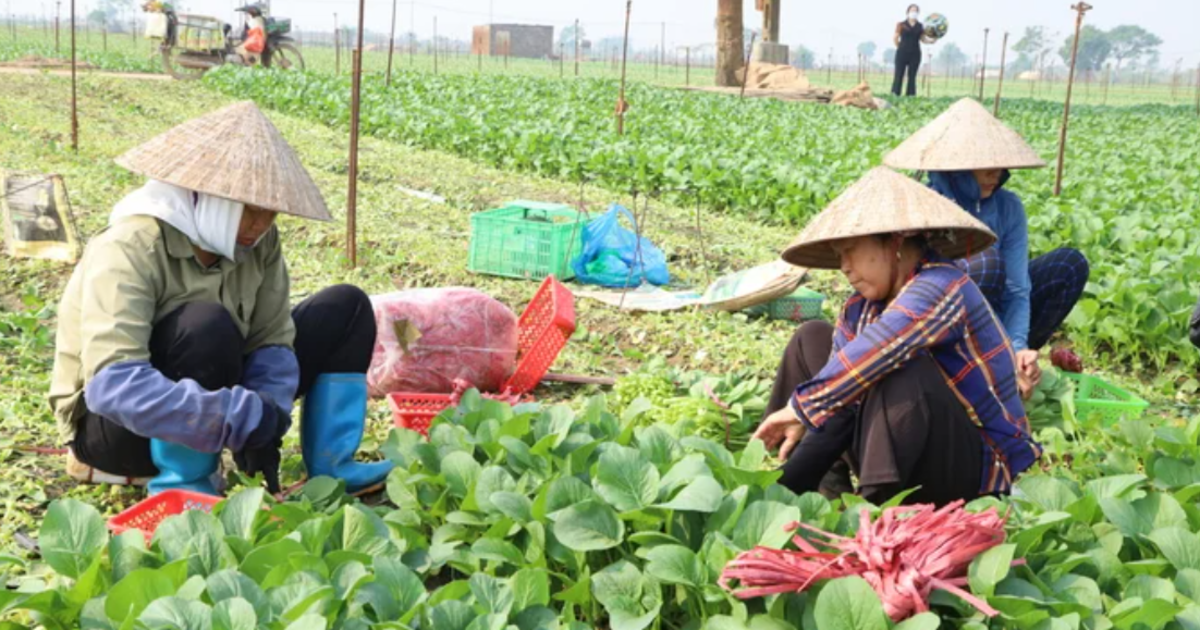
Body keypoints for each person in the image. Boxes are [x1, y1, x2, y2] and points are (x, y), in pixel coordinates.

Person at [49, 101, 393, 496]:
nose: (259, 226)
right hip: (117, 430)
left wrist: (267, 413)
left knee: (345, 308)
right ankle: (190, 484)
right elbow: (114, 388)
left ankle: (333, 469)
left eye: (271, 214)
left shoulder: (258, 242)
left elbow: (272, 342)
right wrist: (238, 415)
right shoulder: (130, 245)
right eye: (249, 211)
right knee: (203, 325)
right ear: (206, 195)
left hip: (216, 390)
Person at [755, 167, 1042, 506]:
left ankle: (877, 513)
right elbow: (840, 400)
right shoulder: (859, 309)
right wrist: (779, 493)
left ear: (894, 242)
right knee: (811, 338)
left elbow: (884, 347)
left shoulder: (943, 285)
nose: (844, 266)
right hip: (901, 451)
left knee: (900, 370)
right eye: (838, 255)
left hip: (972, 470)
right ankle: (820, 491)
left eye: (851, 250)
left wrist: (800, 408)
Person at [884, 97, 1090, 399]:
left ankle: (1011, 365)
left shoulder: (1008, 207)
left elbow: (1017, 288)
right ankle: (959, 368)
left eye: (1000, 164)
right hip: (938, 319)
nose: (997, 173)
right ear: (958, 165)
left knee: (1068, 266)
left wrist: (1015, 347)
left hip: (994, 310)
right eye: (986, 166)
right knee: (984, 259)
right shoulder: (927, 202)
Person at [892, 4, 936, 97]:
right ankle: (895, 94)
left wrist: (932, 40)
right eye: (912, 10)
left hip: (915, 53)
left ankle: (910, 95)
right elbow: (895, 37)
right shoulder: (901, 24)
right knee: (899, 75)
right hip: (902, 53)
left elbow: (923, 39)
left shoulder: (921, 26)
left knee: (912, 76)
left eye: (915, 11)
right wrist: (899, 46)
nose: (914, 13)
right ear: (908, 12)